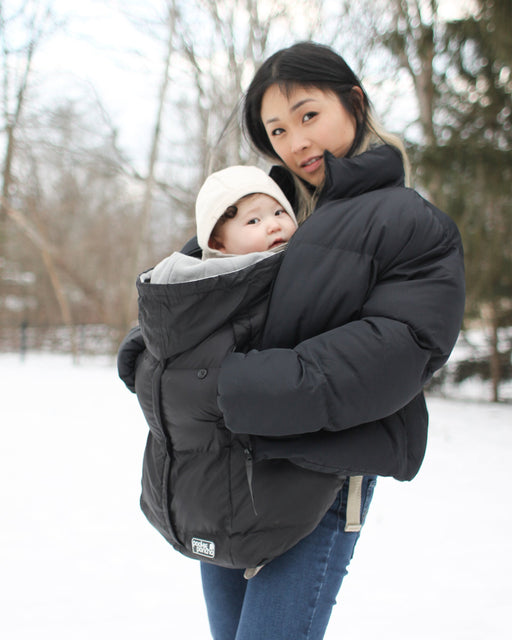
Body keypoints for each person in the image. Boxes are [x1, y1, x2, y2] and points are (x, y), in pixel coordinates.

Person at [119, 40, 465, 639]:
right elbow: (198, 305)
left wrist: (229, 387)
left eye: (308, 116)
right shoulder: (267, 215)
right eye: (277, 130)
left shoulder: (409, 221)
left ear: (353, 102)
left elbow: (397, 349)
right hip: (227, 480)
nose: (296, 142)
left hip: (319, 480)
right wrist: (149, 353)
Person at [118, 165, 346, 575]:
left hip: (253, 505)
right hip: (223, 499)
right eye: (253, 220)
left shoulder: (295, 274)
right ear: (217, 241)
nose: (274, 225)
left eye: (279, 212)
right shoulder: (209, 287)